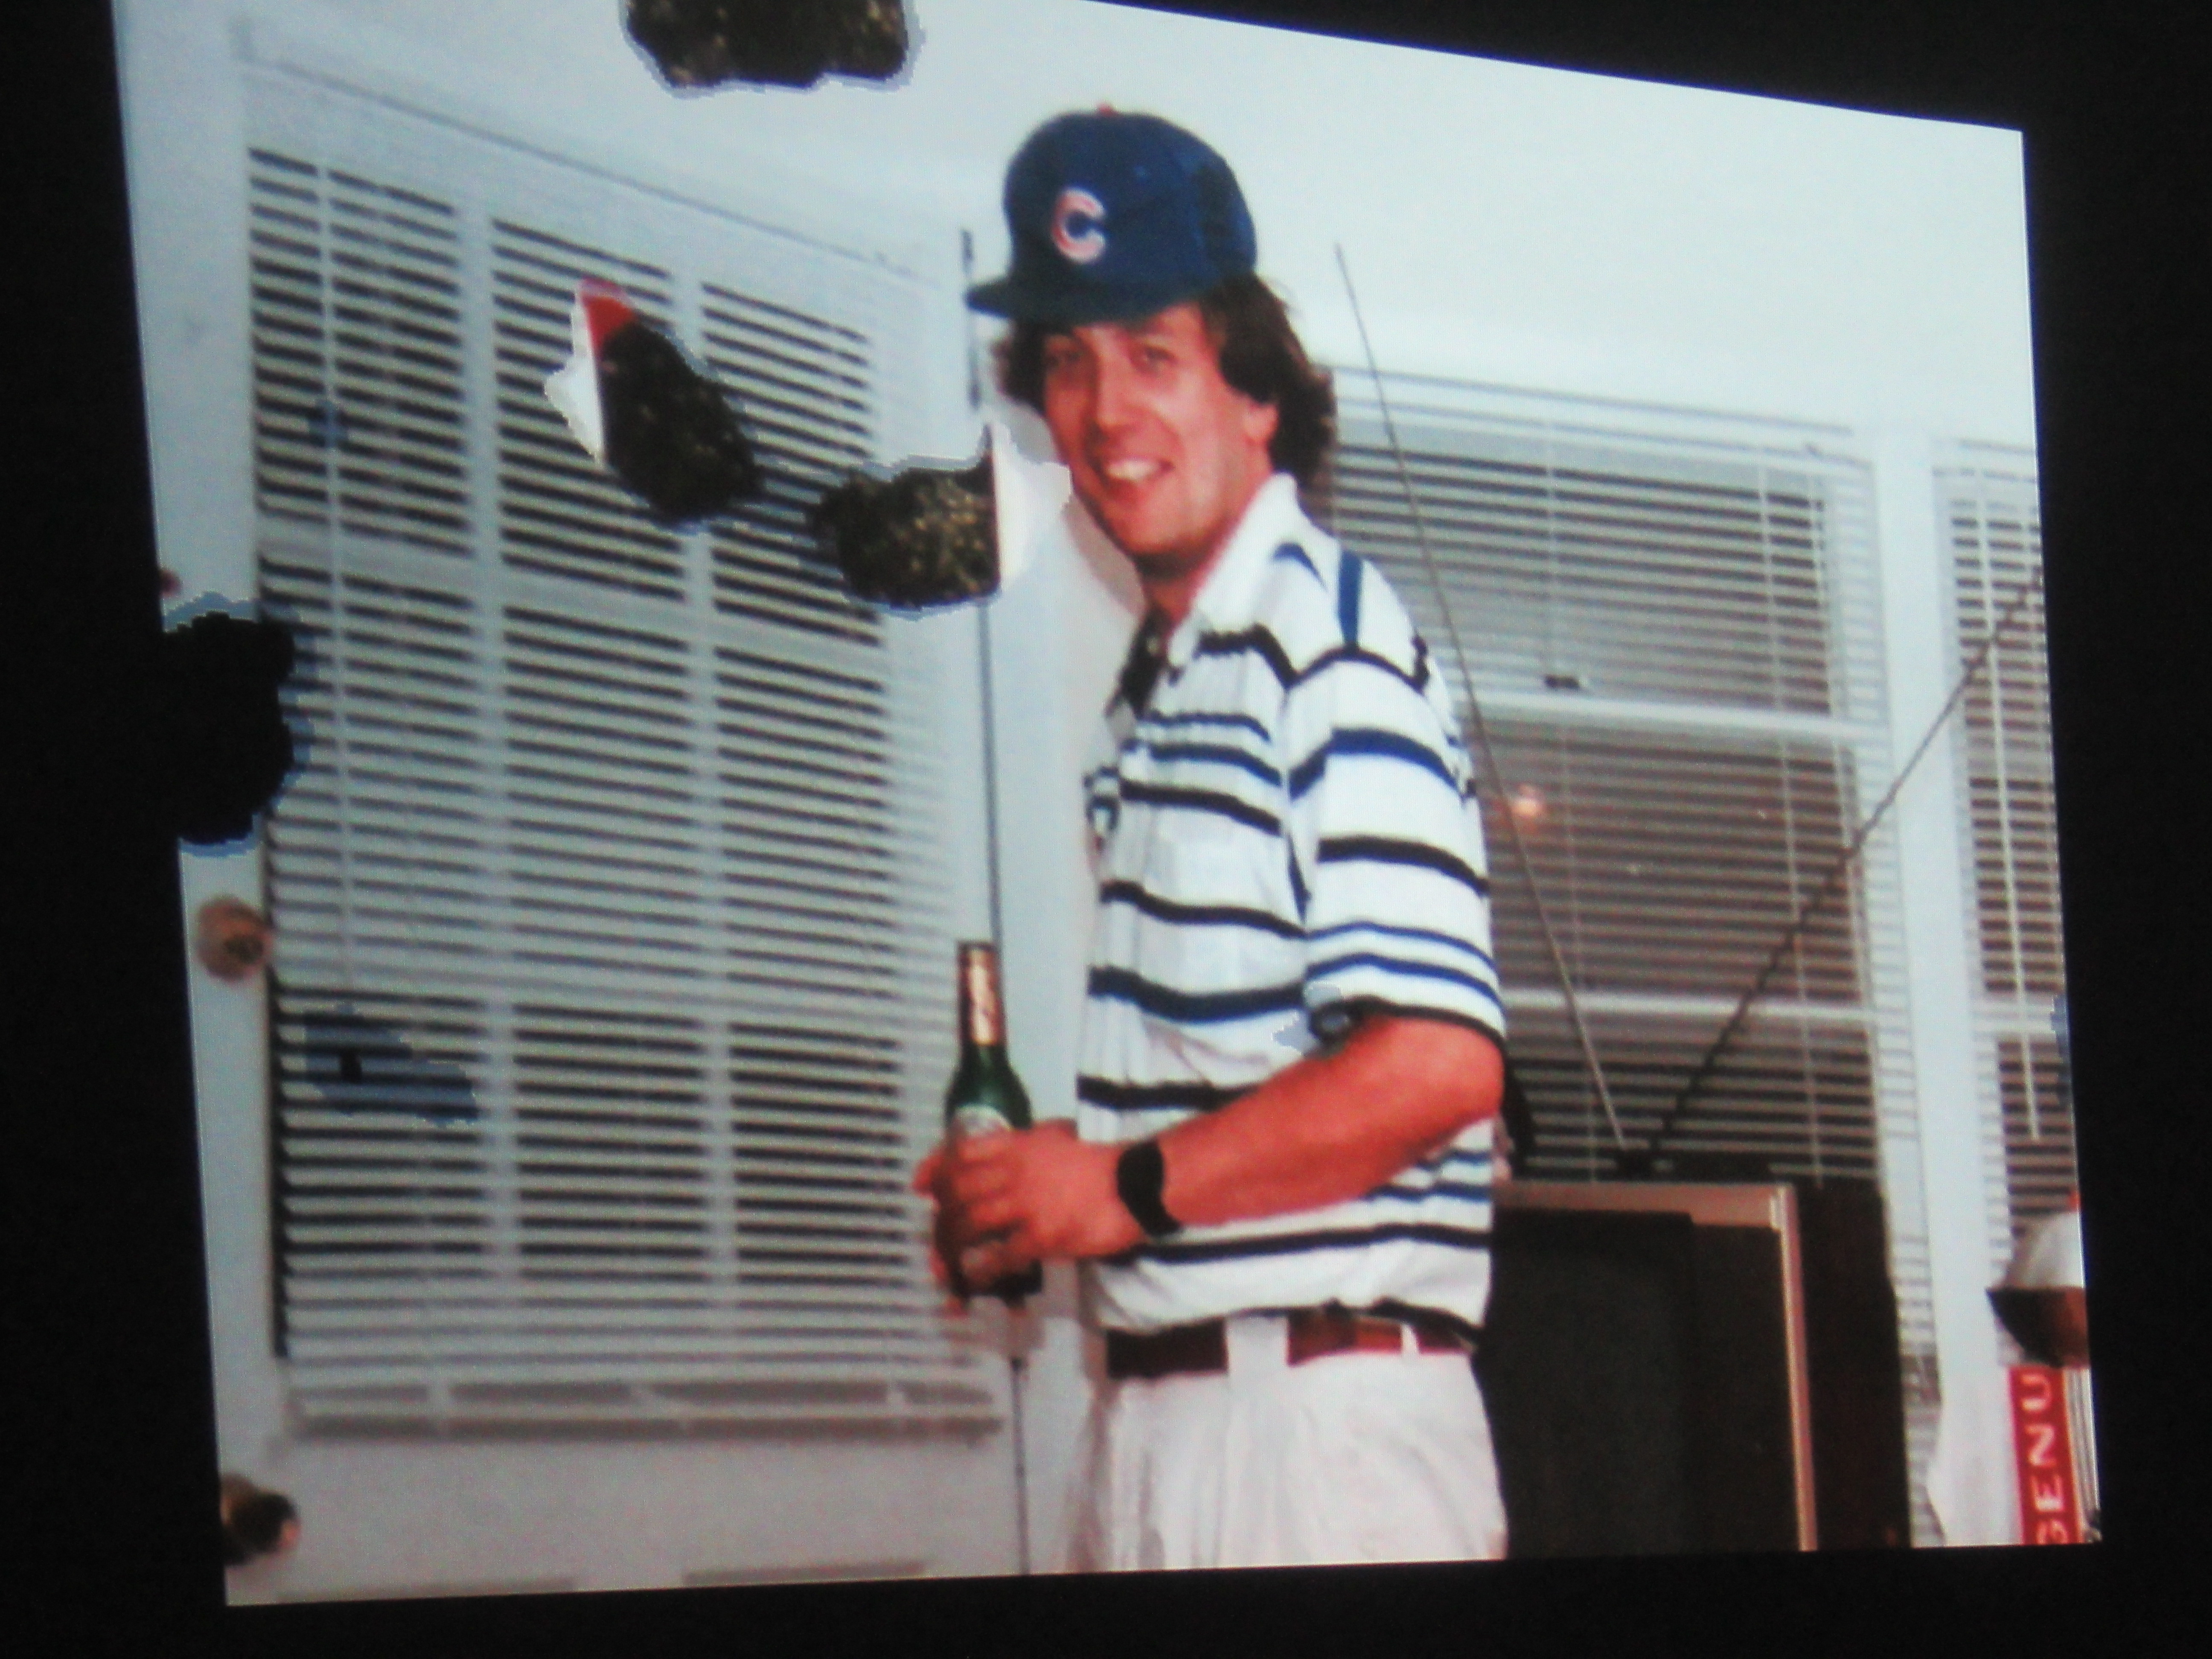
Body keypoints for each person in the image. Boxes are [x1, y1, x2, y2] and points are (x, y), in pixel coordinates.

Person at [918, 110, 1509, 1570]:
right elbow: (1251, 1083)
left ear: (1256, 394)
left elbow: (1435, 1062)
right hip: (1169, 1425)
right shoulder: (1171, 686)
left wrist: (1115, 1190)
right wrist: (1055, 1181)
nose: (1106, 410)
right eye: (1069, 361)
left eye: (1153, 354)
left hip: (1314, 1448)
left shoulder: (1325, 642)